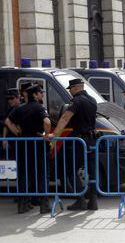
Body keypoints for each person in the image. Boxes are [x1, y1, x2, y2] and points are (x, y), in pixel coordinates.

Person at [47, 78, 99, 211]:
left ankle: (80, 199)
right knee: (92, 170)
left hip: (78, 141)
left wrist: (55, 135)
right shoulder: (93, 100)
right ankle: (93, 201)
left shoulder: (76, 101)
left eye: (71, 89)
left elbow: (65, 118)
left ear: (76, 87)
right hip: (91, 139)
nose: (70, 92)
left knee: (69, 169)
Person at [5, 84, 52, 214]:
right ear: (35, 95)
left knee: (24, 175)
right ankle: (44, 205)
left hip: (23, 145)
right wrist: (47, 135)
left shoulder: (20, 108)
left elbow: (8, 122)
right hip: (38, 145)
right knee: (42, 174)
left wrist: (18, 133)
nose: (42, 95)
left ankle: (22, 204)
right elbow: (47, 122)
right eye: (40, 93)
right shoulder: (39, 108)